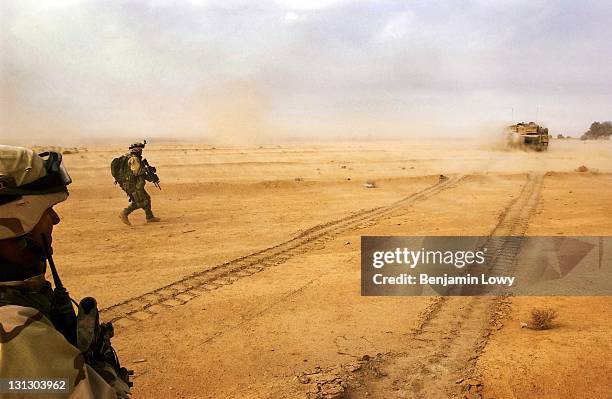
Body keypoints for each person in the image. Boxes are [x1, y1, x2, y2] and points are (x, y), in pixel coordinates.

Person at [0, 145, 131, 398]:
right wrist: (102, 368)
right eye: (45, 210)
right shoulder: (15, 333)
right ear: (12, 220)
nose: (55, 219)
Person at [118, 142, 160, 225]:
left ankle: (150, 217)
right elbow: (136, 172)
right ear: (136, 149)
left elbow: (139, 173)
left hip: (134, 183)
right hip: (132, 184)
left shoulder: (131, 157)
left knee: (146, 198)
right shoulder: (134, 159)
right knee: (141, 202)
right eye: (140, 149)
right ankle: (124, 213)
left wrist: (150, 176)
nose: (141, 151)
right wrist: (146, 169)